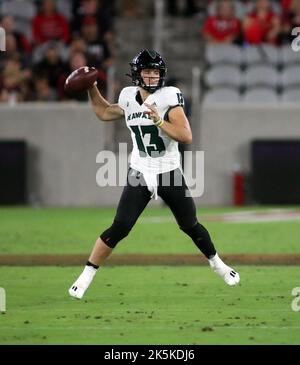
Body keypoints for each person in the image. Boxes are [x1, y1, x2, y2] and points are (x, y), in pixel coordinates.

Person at [68, 49, 240, 299]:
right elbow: (104, 112)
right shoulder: (128, 96)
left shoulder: (170, 96)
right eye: (147, 71)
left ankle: (218, 264)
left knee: (190, 224)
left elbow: (186, 135)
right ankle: (85, 277)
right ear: (137, 74)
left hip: (168, 171)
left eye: (156, 72)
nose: (152, 76)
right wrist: (92, 87)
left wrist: (159, 121)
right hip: (140, 170)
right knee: (121, 226)